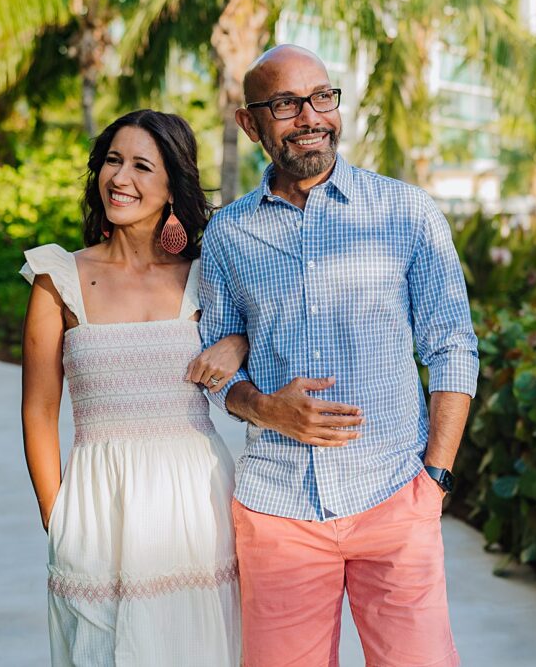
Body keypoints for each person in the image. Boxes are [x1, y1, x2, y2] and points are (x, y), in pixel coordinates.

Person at [198, 45, 479, 667]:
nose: (310, 116)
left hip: (394, 496)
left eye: (322, 97)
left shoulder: (406, 212)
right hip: (278, 509)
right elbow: (215, 369)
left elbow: (453, 346)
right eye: (286, 104)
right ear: (251, 123)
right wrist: (266, 408)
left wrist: (434, 479)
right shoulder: (228, 235)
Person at [20, 109, 244, 666]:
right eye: (113, 161)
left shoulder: (205, 275)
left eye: (143, 165)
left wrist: (237, 343)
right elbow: (39, 411)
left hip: (195, 504)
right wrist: (58, 516)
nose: (121, 179)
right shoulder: (58, 278)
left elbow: (264, 344)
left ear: (173, 186)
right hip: (98, 504)